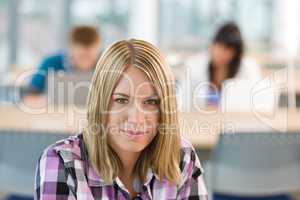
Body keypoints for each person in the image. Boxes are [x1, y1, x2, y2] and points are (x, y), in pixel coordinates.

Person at [34, 39, 208, 199]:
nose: (137, 118)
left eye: (151, 102)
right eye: (121, 100)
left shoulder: (182, 158)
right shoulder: (63, 162)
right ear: (100, 102)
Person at [178, 22, 261, 110]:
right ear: (212, 45)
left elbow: (257, 101)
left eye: (230, 50)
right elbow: (182, 103)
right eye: (220, 47)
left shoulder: (248, 69)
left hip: (234, 121)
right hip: (199, 121)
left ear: (236, 54)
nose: (223, 54)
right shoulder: (194, 66)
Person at [28, 25, 101, 94]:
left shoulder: (107, 64)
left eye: (90, 57)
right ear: (71, 49)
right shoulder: (50, 63)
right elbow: (30, 96)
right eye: (82, 57)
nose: (86, 62)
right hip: (54, 107)